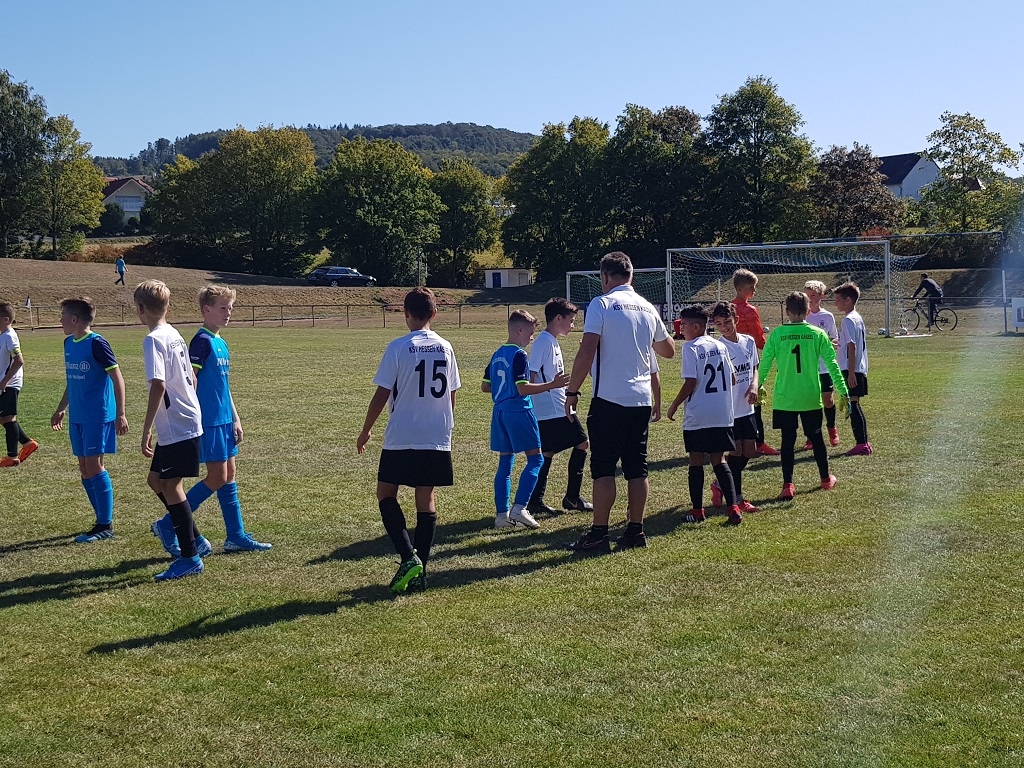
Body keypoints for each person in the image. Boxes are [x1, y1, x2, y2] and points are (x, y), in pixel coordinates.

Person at [562, 252, 675, 554]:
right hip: (641, 399)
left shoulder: (601, 304)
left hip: (609, 399)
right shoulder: (647, 307)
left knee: (603, 468)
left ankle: (599, 534)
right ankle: (635, 530)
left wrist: (572, 392)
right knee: (637, 468)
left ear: (605, 277)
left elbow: (587, 350)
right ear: (631, 276)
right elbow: (668, 350)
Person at [150, 285, 271, 560]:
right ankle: (167, 525)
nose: (228, 313)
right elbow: (189, 382)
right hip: (209, 421)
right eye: (223, 308)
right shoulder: (201, 341)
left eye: (231, 308)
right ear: (206, 310)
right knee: (217, 477)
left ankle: (236, 536)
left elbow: (224, 386)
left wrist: (235, 418)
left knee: (229, 476)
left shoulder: (221, 341)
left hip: (224, 420)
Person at [358, 287, 461, 594]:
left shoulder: (399, 347)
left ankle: (408, 558)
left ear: (405, 314)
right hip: (436, 434)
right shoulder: (446, 347)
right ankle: (420, 571)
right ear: (434, 314)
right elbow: (452, 393)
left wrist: (366, 429)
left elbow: (382, 393)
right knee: (425, 498)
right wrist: (445, 426)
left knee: (385, 493)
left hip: (403, 432)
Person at [136, 280, 208, 581]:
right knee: (156, 480)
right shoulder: (174, 332)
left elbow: (159, 384)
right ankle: (196, 540)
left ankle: (190, 557)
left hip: (177, 423)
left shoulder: (153, 339)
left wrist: (146, 428)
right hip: (183, 420)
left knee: (171, 486)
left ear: (140, 309)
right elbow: (191, 376)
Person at [50, 297, 129, 541]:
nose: (60, 320)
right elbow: (72, 381)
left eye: (63, 315)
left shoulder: (97, 343)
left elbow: (117, 378)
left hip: (97, 415)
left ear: (74, 319)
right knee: (84, 468)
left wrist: (121, 413)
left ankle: (105, 525)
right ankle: (101, 519)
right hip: (78, 416)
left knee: (94, 466)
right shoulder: (68, 343)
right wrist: (61, 408)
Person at [759, 292, 849, 501]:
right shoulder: (818, 334)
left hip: (785, 397)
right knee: (816, 437)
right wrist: (843, 390)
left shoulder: (777, 334)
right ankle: (825, 479)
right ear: (808, 311)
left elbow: (765, 364)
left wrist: (757, 385)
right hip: (810, 395)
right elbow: (832, 364)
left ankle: (788, 485)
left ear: (787, 311)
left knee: (787, 441)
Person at [483, 309, 568, 531]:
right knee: (536, 459)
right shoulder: (519, 355)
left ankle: (501, 516)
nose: (532, 338)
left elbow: (485, 386)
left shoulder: (497, 354)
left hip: (499, 412)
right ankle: (520, 507)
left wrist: (504, 391)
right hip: (519, 411)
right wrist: (552, 385)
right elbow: (523, 389)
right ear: (519, 330)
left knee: (505, 462)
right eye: (530, 333)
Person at [667, 304, 743, 526]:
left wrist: (674, 405)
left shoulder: (690, 347)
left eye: (683, 325)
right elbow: (733, 378)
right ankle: (733, 508)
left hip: (699, 413)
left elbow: (691, 382)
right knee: (719, 460)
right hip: (722, 413)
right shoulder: (720, 345)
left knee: (696, 460)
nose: (680, 329)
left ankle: (698, 511)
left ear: (697, 327)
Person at [526, 298, 592, 516]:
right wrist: (547, 393)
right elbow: (531, 376)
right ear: (558, 318)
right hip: (553, 408)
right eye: (570, 320)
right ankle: (572, 497)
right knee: (582, 442)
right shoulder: (544, 342)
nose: (573, 325)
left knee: (547, 451)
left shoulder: (551, 341)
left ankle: (535, 501)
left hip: (552, 406)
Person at [710, 301, 761, 514]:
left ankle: (720, 484)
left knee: (750, 450)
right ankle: (738, 498)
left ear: (736, 320)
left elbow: (754, 367)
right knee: (736, 452)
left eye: (727, 322)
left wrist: (754, 385)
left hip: (747, 407)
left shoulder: (748, 342)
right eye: (719, 324)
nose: (724, 327)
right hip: (730, 410)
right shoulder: (718, 348)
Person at [732, 268, 779, 456]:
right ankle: (757, 442)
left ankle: (734, 441)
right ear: (741, 289)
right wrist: (774, 350)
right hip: (749, 360)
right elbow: (759, 339)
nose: (754, 291)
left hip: (731, 360)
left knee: (734, 400)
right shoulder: (750, 310)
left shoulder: (728, 308)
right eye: (752, 287)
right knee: (755, 400)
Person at [834, 282, 872, 456]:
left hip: (853, 369)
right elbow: (850, 343)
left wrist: (850, 373)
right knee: (855, 404)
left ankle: (862, 444)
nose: (836, 303)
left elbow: (852, 346)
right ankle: (863, 443)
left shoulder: (848, 320)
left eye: (838, 299)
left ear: (848, 300)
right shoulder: (857, 317)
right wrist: (838, 343)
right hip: (858, 367)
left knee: (854, 405)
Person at [803, 280, 841, 448]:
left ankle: (832, 428)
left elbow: (834, 338)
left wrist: (830, 344)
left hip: (824, 367)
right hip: (807, 368)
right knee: (810, 402)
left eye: (813, 295)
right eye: (806, 295)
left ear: (821, 296)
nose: (809, 299)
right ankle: (811, 436)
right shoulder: (802, 316)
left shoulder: (827, 316)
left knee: (828, 400)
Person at [0, 302, 38, 467]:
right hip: (5, 382)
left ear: (5, 319)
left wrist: (4, 381)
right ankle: (28, 443)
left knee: (8, 418)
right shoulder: (3, 336)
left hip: (9, 384)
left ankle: (12, 456)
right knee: (3, 418)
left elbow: (19, 360)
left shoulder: (9, 336)